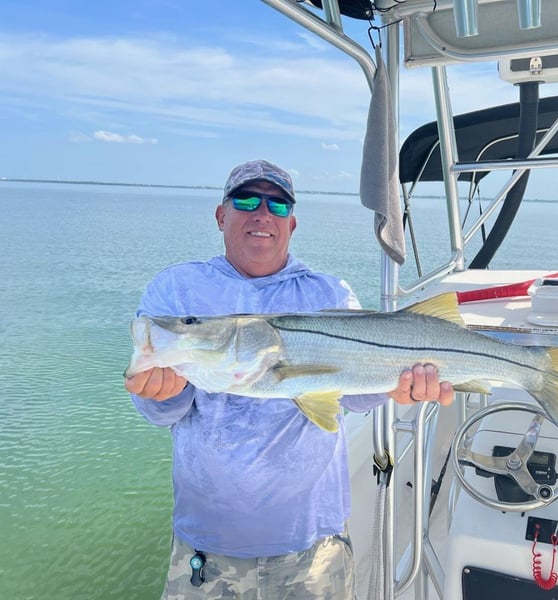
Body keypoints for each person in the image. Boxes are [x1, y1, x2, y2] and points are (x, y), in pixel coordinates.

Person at [125, 159, 454, 599]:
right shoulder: (176, 291)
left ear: (291, 224)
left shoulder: (327, 293)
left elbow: (351, 399)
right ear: (221, 215)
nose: (262, 213)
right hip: (207, 545)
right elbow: (160, 411)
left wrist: (399, 388)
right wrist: (161, 394)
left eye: (277, 204)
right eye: (246, 199)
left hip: (314, 544)